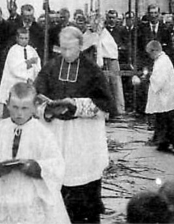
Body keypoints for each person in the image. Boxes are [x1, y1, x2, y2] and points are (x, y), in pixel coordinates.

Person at [35, 26, 114, 223]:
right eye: (62, 48)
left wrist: (76, 105)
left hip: (82, 137)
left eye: (70, 48)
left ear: (80, 46)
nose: (65, 53)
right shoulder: (51, 67)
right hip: (56, 133)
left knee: (83, 192)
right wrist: (47, 109)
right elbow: (35, 98)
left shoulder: (92, 70)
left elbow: (104, 105)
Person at [0, 82, 70, 224]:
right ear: (7, 105)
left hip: (32, 195)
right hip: (3, 194)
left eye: (25, 108)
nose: (19, 113)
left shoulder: (43, 133)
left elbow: (57, 164)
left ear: (34, 108)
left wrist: (37, 167)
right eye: (15, 107)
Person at [136, 39, 174, 155]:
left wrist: (148, 77)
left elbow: (159, 80)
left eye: (149, 53)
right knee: (162, 120)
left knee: (171, 122)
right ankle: (162, 142)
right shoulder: (161, 60)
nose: (149, 56)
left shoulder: (162, 62)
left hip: (168, 97)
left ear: (154, 51)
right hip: (164, 96)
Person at [0, 28, 41, 113]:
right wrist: (28, 63)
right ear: (17, 38)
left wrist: (32, 76)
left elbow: (37, 64)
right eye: (22, 38)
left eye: (26, 38)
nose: (24, 41)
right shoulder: (13, 51)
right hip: (14, 81)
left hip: (28, 82)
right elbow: (14, 68)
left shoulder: (31, 50)